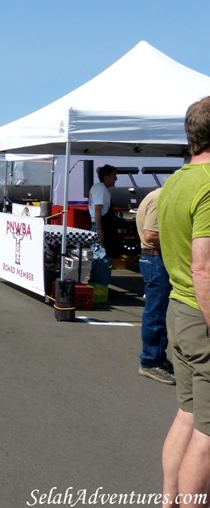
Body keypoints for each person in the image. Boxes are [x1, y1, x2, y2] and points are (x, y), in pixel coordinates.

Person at [159, 96, 210, 505]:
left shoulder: (176, 181)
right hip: (200, 313)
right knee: (208, 437)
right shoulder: (209, 185)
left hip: (178, 308)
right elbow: (204, 268)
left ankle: (168, 498)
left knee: (188, 415)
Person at [135, 187, 174, 385]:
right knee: (156, 312)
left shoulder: (161, 195)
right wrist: (182, 238)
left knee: (159, 312)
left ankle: (156, 357)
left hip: (156, 259)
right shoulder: (161, 197)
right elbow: (151, 235)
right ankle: (150, 362)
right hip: (156, 259)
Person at [88, 164, 120, 286]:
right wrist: (100, 231)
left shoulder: (96, 187)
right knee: (104, 257)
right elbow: (98, 210)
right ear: (106, 177)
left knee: (97, 256)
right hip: (101, 226)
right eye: (114, 175)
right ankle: (101, 287)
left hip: (97, 225)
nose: (116, 178)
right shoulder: (101, 188)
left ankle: (94, 285)